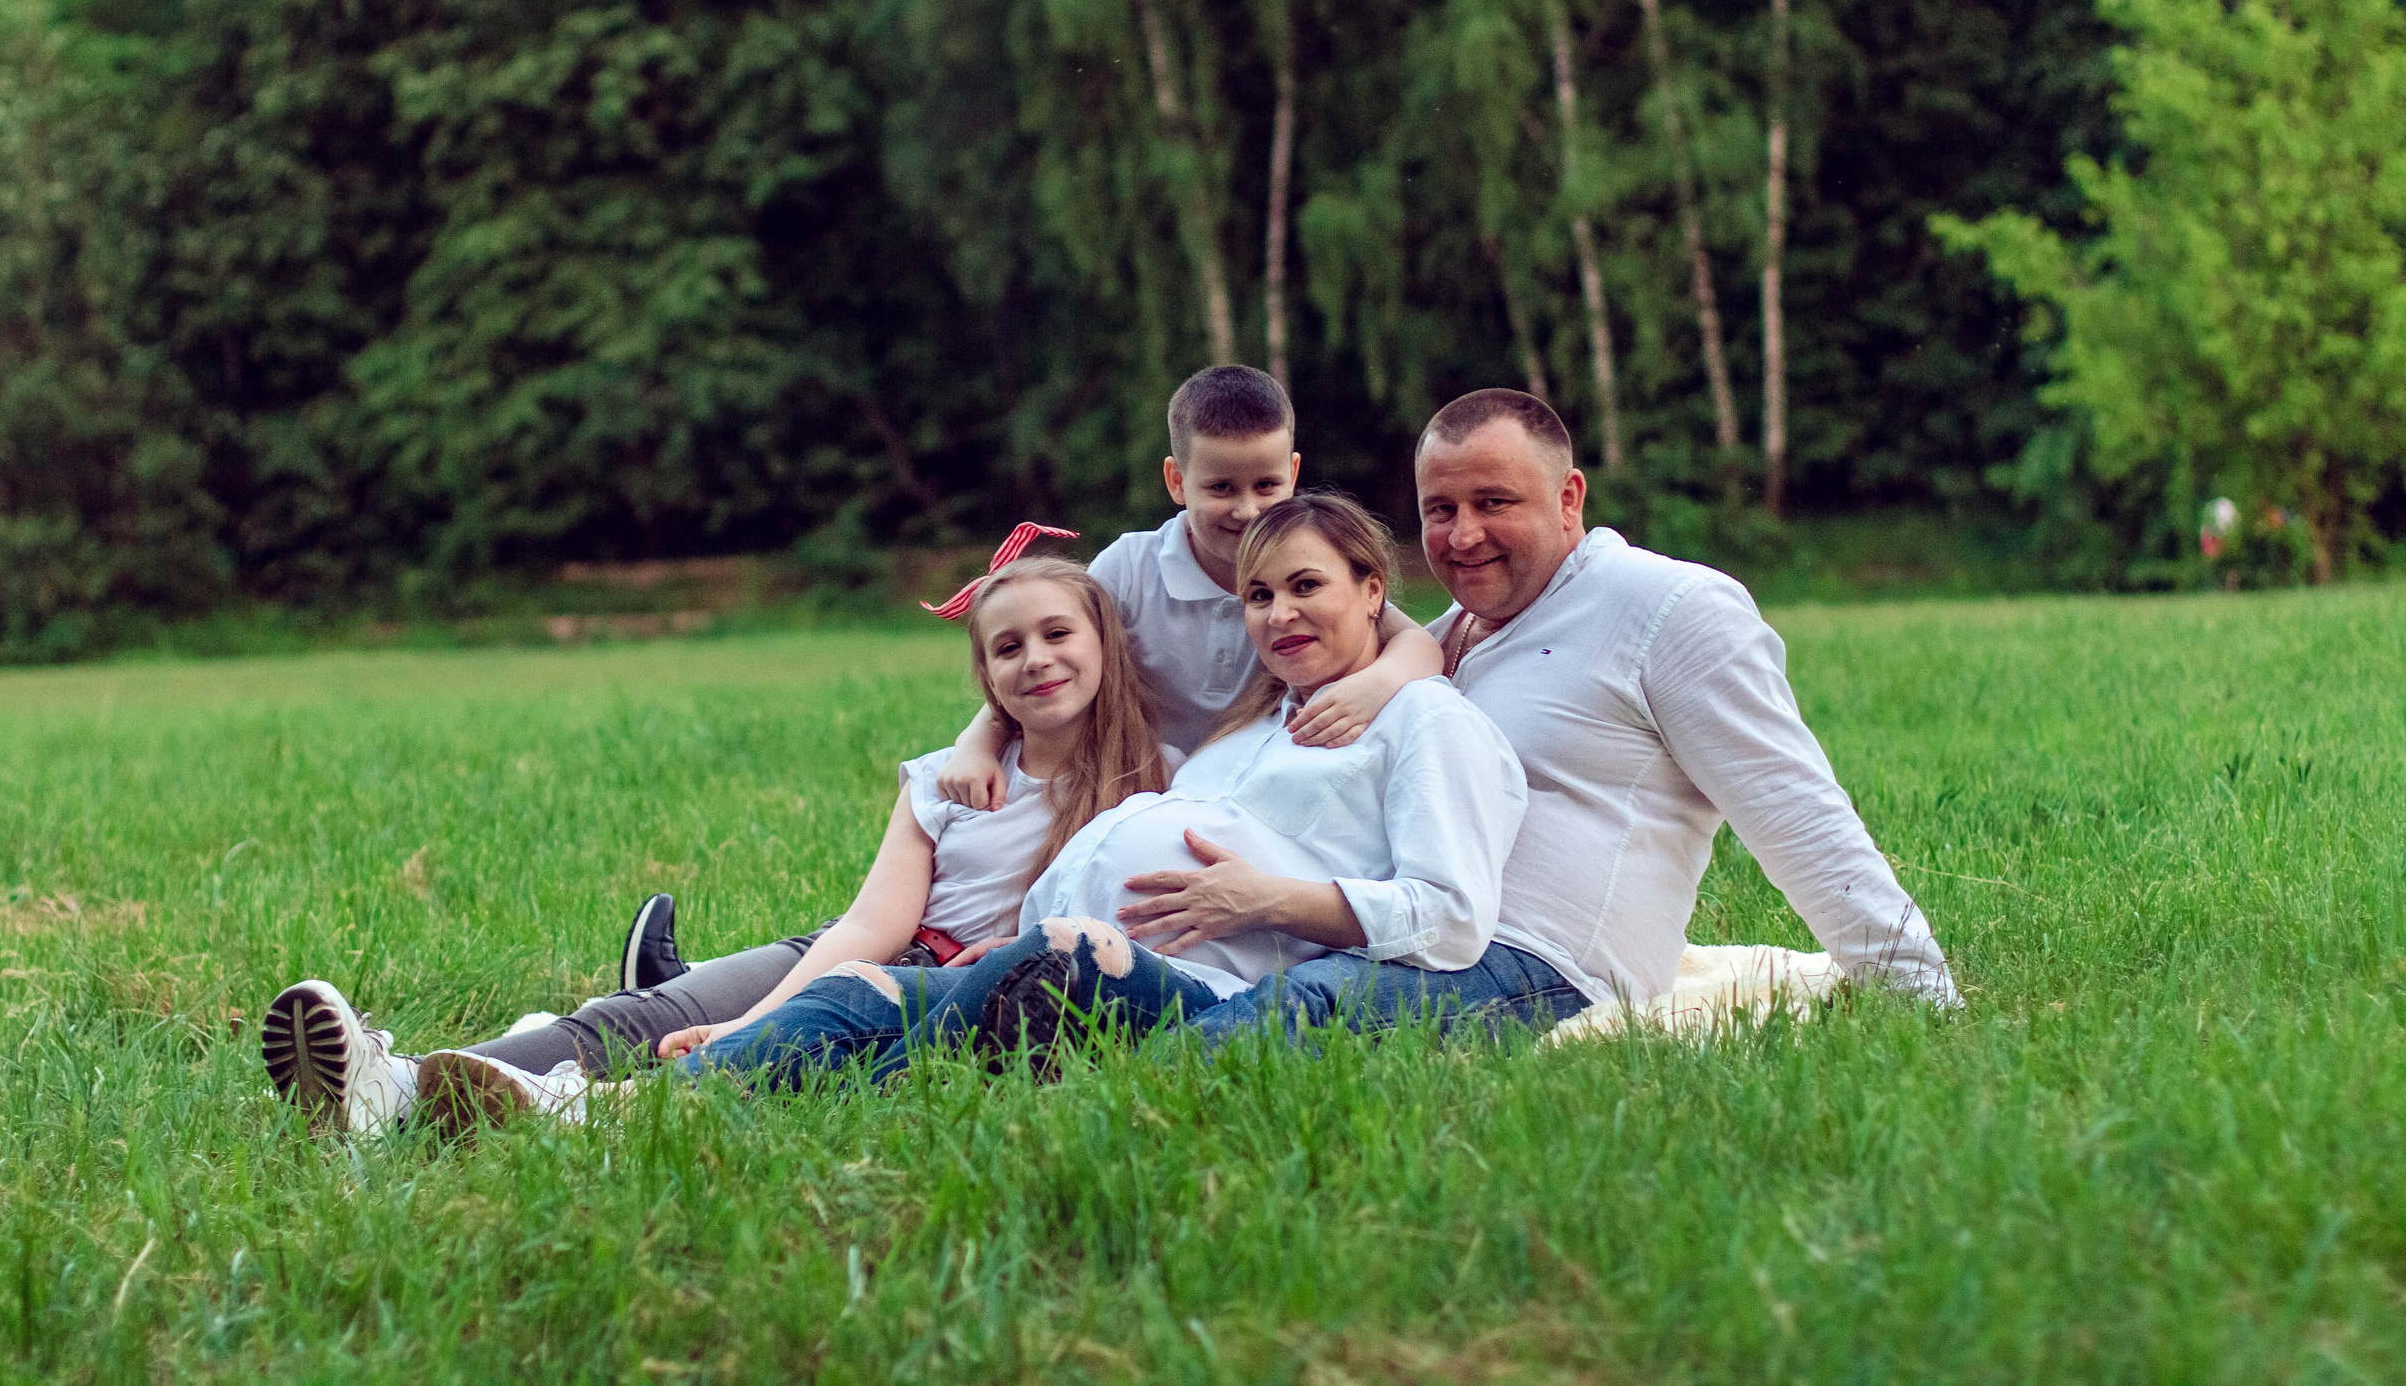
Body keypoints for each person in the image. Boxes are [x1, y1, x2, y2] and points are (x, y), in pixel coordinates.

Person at [256, 546, 1174, 1135]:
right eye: (1007, 648)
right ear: (984, 674)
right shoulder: (943, 780)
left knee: (768, 1071)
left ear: (1105, 644)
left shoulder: (1160, 775)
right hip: (857, 951)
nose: (1036, 659)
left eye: (1058, 633)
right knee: (641, 1021)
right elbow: (868, 924)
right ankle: (395, 1083)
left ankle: (529, 1099)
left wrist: (751, 1034)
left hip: (942, 990)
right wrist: (753, 1012)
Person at [1179, 389, 1960, 1046]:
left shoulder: (1667, 609)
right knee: (1194, 988)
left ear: (1569, 497)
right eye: (1438, 509)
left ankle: (1095, 1093)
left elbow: (1797, 811)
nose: (1462, 534)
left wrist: (1926, 1001)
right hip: (1398, 941)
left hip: (1549, 969)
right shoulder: (1447, 635)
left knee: (1295, 1013)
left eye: (1493, 502)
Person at [666, 493, 1528, 1088]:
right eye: (1258, 595)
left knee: (1049, 967)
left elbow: (1451, 916)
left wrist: (1269, 897)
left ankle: (826, 1094)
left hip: (1198, 989)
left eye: (1307, 586)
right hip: (1054, 950)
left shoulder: (1424, 720)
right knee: (860, 987)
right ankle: (617, 1104)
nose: (1278, 613)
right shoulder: (1255, 724)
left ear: (1373, 590)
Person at [937, 366, 1443, 801]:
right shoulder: (1129, 568)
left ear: (1293, 474)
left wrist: (1375, 685)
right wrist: (976, 742)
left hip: (1258, 784)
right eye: (1220, 488)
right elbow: (1049, 661)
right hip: (1131, 782)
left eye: (1267, 485)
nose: (1247, 510)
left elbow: (1415, 642)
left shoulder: (1307, 573)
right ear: (1177, 481)